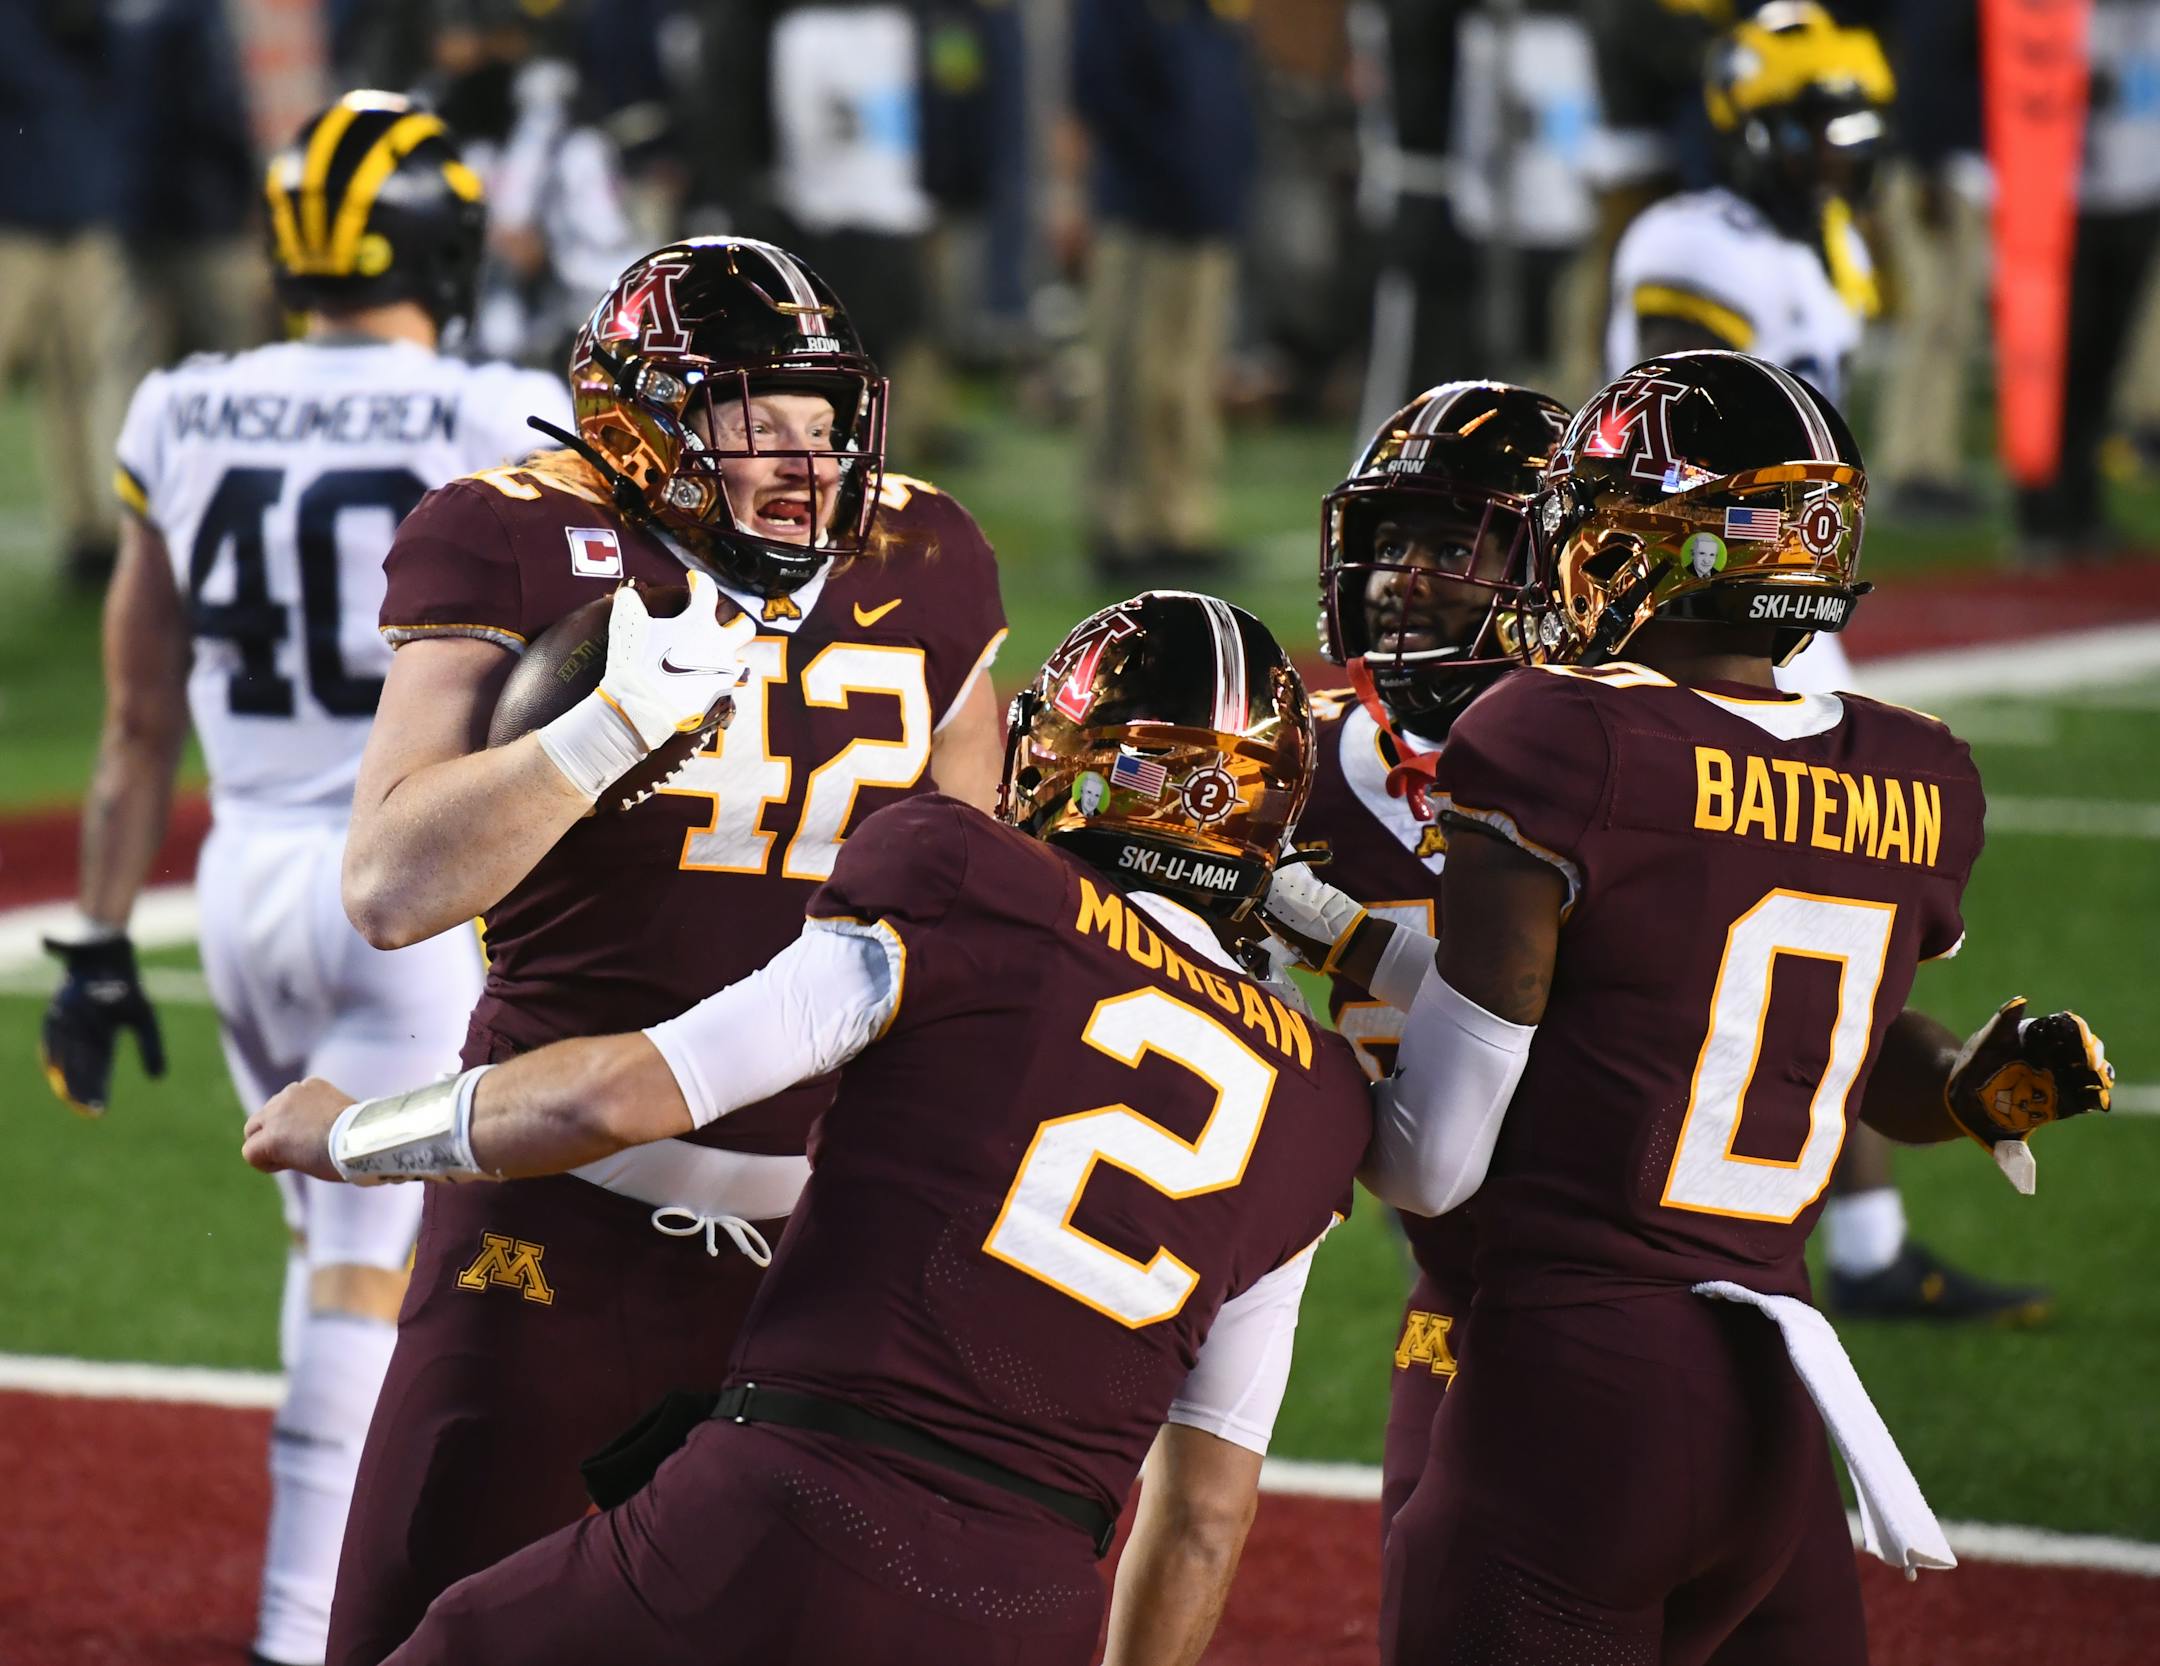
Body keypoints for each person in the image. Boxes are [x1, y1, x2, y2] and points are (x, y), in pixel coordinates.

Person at [242, 591, 1373, 1666]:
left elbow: (613, 1096)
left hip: (788, 1508)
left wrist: (351, 1136)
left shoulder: (969, 876)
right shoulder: (1320, 1095)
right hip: (1034, 1602)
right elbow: (1205, 1520)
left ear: (1065, 757)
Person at [1360, 350, 2113, 1663]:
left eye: (1594, 522)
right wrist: (1957, 1092)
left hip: (1570, 1391)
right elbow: (1794, 1041)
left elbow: (1433, 1160)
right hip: (1773, 1399)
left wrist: (1288, 1070)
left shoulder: (1554, 737)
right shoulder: (1915, 775)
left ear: (1664, 542)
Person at [324, 234, 1010, 1666]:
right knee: (413, 1635)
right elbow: (390, 886)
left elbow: (985, 899)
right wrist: (604, 726)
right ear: (643, 420)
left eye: (822, 416)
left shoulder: (927, 548)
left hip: (836, 1259)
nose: (805, 455)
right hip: (557, 1220)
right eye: (757, 415)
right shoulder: (510, 532)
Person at [35, 91, 569, 1666]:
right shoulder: (488, 406)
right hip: (402, 886)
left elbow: (138, 713)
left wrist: (99, 942)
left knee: (329, 1248)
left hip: (243, 878)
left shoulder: (184, 407)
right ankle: (298, 1632)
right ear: (444, 243)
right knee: (378, 1274)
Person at [1606, 4, 2051, 1318]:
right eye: (1814, 132)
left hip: (1785, 609)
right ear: (1749, 129)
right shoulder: (1688, 238)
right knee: (1730, 928)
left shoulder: (1816, 239)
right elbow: (1685, 441)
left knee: (1824, 924)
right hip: (1702, 608)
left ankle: (1855, 1242)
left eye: (1850, 135)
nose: (1835, 159)